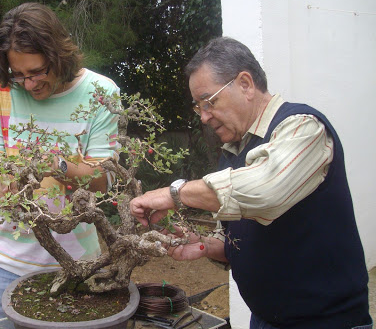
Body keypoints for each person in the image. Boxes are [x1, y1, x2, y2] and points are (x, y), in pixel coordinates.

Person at [130, 37, 372, 329]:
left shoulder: (302, 127)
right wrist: (207, 246)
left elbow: (265, 190)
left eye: (209, 102)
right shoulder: (233, 152)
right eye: (199, 107)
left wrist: (175, 193)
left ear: (245, 83)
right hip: (266, 321)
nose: (205, 117)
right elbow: (244, 234)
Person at [0, 2, 120, 329]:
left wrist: (57, 164)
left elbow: (103, 181)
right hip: (2, 261)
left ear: (59, 56)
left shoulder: (101, 94)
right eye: (19, 74)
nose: (29, 84)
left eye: (36, 72)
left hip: (77, 265)